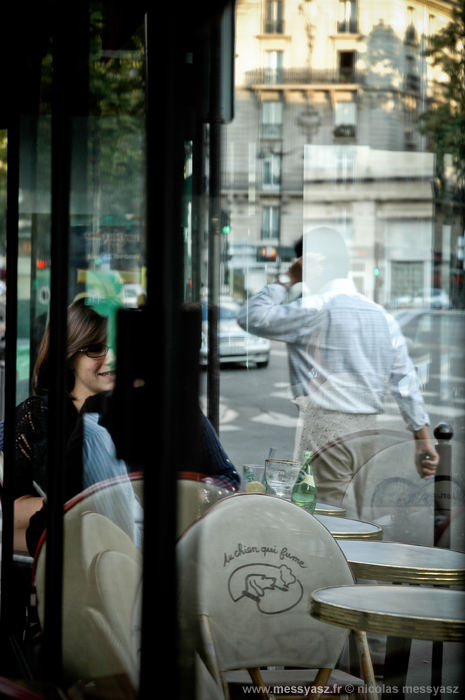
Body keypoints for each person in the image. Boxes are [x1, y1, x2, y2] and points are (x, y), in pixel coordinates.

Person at [237, 227, 439, 514]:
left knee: (328, 522)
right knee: (353, 517)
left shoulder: (314, 309)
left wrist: (287, 278)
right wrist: (424, 440)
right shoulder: (381, 316)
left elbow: (251, 316)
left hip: (327, 430)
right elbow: (405, 382)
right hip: (368, 434)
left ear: (309, 263)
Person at [13, 298, 115, 551]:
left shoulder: (135, 411)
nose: (111, 358)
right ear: (70, 357)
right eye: (96, 348)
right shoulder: (38, 415)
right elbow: (14, 510)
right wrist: (89, 500)